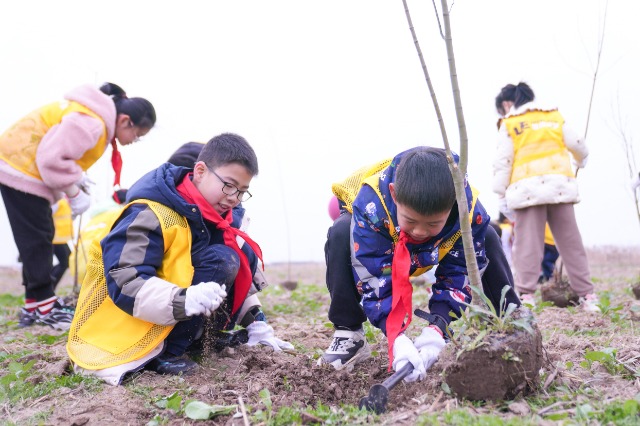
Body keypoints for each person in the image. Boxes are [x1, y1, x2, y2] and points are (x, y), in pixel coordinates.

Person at [66, 133, 293, 385]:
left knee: (236, 250)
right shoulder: (150, 212)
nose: (233, 197)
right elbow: (125, 279)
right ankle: (167, 351)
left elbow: (241, 275)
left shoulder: (225, 218)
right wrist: (183, 300)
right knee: (220, 258)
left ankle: (195, 338)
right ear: (200, 171)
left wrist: (257, 324)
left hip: (174, 309)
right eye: (228, 185)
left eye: (242, 191)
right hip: (128, 321)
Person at [318, 146, 521, 381]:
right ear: (394, 195)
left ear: (453, 204)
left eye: (433, 223)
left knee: (487, 238)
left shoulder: (468, 211)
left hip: (440, 248)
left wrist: (438, 326)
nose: (420, 231)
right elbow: (372, 275)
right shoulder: (371, 205)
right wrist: (397, 338)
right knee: (341, 231)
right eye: (411, 220)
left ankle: (509, 323)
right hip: (387, 245)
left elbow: (459, 272)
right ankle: (349, 333)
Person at [0, 82, 156, 330]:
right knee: (37, 240)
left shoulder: (90, 115)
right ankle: (46, 306)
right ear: (126, 121)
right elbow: (51, 159)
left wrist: (76, 177)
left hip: (18, 165)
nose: (133, 141)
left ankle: (34, 305)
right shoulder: (91, 122)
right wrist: (74, 191)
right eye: (137, 135)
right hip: (21, 169)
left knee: (39, 237)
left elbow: (57, 152)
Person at [492, 82, 599, 312]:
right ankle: (587, 296)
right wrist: (580, 161)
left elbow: (503, 162)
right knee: (571, 243)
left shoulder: (510, 123)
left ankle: (526, 295)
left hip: (527, 190)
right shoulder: (553, 117)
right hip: (560, 187)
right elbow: (577, 144)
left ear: (509, 104)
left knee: (528, 244)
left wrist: (501, 194)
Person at [51, 198, 74, 289]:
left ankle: (50, 287)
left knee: (66, 261)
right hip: (55, 238)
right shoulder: (58, 201)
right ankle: (50, 287)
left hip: (60, 238)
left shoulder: (65, 201)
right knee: (65, 262)